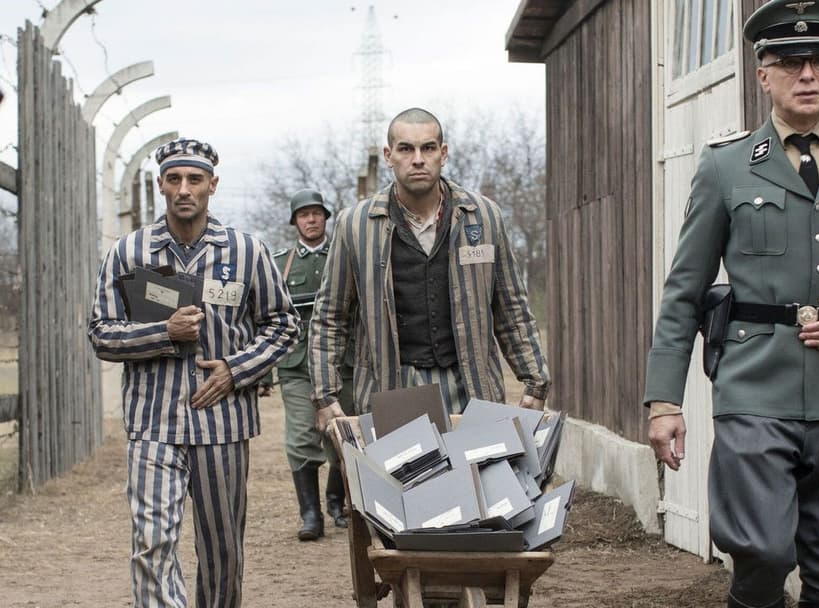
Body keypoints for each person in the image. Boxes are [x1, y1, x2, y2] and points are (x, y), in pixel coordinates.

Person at [642, 2, 819, 607]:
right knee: (763, 551)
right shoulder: (726, 166)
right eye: (790, 62)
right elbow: (684, 289)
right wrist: (665, 401)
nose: (807, 75)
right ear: (763, 75)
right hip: (755, 388)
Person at [88, 138, 299, 607]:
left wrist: (235, 369)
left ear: (212, 186)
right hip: (153, 426)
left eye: (195, 179)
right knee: (152, 544)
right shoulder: (129, 252)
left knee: (222, 553)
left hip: (222, 425)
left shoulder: (247, 252)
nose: (185, 189)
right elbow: (101, 332)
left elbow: (284, 324)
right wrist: (163, 332)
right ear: (161, 185)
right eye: (174, 179)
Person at [308, 107, 549, 432]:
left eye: (428, 148)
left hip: (470, 386)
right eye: (406, 149)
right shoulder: (355, 225)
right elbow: (329, 318)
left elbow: (512, 309)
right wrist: (325, 395)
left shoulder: (483, 217)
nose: (418, 159)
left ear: (443, 153)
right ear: (389, 155)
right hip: (393, 386)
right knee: (403, 480)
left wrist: (535, 379)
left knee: (477, 480)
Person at [261, 188, 356, 539]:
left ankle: (337, 498)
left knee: (344, 432)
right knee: (302, 434)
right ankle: (311, 515)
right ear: (295, 222)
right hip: (298, 364)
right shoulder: (280, 262)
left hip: (341, 361)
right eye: (304, 215)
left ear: (326, 218)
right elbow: (267, 317)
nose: (312, 219)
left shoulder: (344, 256)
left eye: (317, 213)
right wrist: (266, 370)